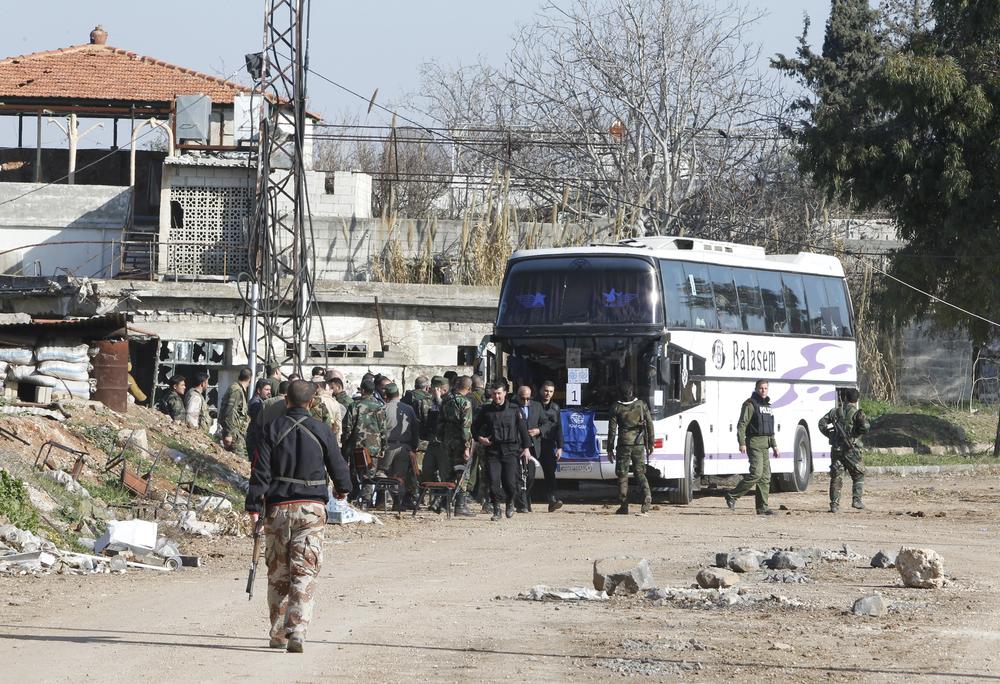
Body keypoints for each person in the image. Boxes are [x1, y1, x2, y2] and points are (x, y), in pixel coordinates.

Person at [245, 380, 352, 653]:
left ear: (286, 401)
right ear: (312, 402)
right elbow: (339, 465)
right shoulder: (322, 429)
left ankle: (278, 633)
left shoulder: (271, 429)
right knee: (304, 570)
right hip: (311, 510)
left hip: (278, 510)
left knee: (278, 572)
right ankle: (298, 631)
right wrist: (342, 489)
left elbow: (260, 472)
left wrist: (254, 508)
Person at [473, 379, 531, 521]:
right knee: (493, 482)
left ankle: (510, 501)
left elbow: (523, 430)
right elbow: (474, 428)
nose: (496, 396)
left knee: (510, 483)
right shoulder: (486, 410)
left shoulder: (514, 409)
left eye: (499, 393)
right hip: (493, 450)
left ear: (505, 393)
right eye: (494, 394)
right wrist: (480, 439)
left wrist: (526, 448)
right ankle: (496, 509)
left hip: (511, 450)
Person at [725, 379, 779, 515]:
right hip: (754, 443)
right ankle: (732, 495)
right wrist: (741, 442)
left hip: (766, 445)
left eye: (765, 388)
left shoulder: (768, 406)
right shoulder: (750, 404)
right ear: (756, 389)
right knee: (756, 474)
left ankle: (762, 508)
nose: (763, 391)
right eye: (761, 388)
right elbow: (742, 424)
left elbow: (770, 429)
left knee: (765, 477)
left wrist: (774, 446)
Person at [819, 388, 870, 512]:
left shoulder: (835, 412)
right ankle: (856, 501)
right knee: (859, 474)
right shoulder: (857, 413)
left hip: (837, 449)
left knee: (836, 476)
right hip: (852, 450)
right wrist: (856, 433)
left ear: (845, 398)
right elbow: (865, 427)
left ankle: (834, 504)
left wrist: (831, 435)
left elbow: (821, 424)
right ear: (856, 400)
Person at [607, 382, 654, 515]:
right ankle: (647, 495)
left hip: (623, 444)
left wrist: (609, 448)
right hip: (639, 444)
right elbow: (650, 424)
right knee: (640, 472)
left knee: (622, 474)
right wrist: (651, 443)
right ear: (632, 391)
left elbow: (612, 430)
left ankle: (624, 505)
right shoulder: (641, 405)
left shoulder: (616, 407)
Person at [341, 377, 388, 502]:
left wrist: (345, 444)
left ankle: (354, 495)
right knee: (369, 474)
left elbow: (347, 428)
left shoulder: (354, 405)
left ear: (362, 390)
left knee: (354, 472)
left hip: (357, 446)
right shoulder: (379, 407)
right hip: (374, 446)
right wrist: (383, 447)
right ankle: (366, 499)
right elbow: (383, 429)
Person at [438, 376, 475, 517]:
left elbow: (440, 422)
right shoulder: (465, 402)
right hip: (460, 443)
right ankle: (460, 505)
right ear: (469, 388)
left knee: (449, 472)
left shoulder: (446, 399)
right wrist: (467, 447)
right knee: (462, 472)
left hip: (447, 441)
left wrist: (443, 438)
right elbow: (466, 427)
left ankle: (443, 503)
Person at [382, 383, 419, 510]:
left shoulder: (383, 408)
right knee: (400, 475)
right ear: (398, 393)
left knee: (383, 473)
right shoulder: (408, 409)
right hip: (404, 446)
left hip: (388, 446)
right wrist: (414, 447)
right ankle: (398, 502)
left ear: (386, 395)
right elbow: (415, 429)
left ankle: (382, 500)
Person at [514, 385, 545, 513]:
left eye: (528, 399)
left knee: (530, 476)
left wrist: (539, 430)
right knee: (518, 476)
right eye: (523, 399)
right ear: (517, 397)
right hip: (517, 446)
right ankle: (521, 504)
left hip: (532, 446)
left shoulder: (537, 406)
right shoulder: (512, 407)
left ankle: (526, 499)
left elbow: (546, 423)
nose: (525, 401)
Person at [537, 380, 564, 512]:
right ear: (541, 391)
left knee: (550, 472)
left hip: (548, 444)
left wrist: (560, 447)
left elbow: (558, 428)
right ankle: (523, 503)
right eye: (546, 391)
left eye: (551, 391)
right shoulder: (534, 405)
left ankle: (552, 499)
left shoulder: (555, 408)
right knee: (528, 474)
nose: (548, 393)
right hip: (534, 443)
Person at [220, 368, 252, 458]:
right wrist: (228, 434)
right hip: (234, 434)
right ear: (250, 379)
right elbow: (229, 412)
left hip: (238, 434)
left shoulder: (238, 389)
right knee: (241, 461)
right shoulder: (236, 391)